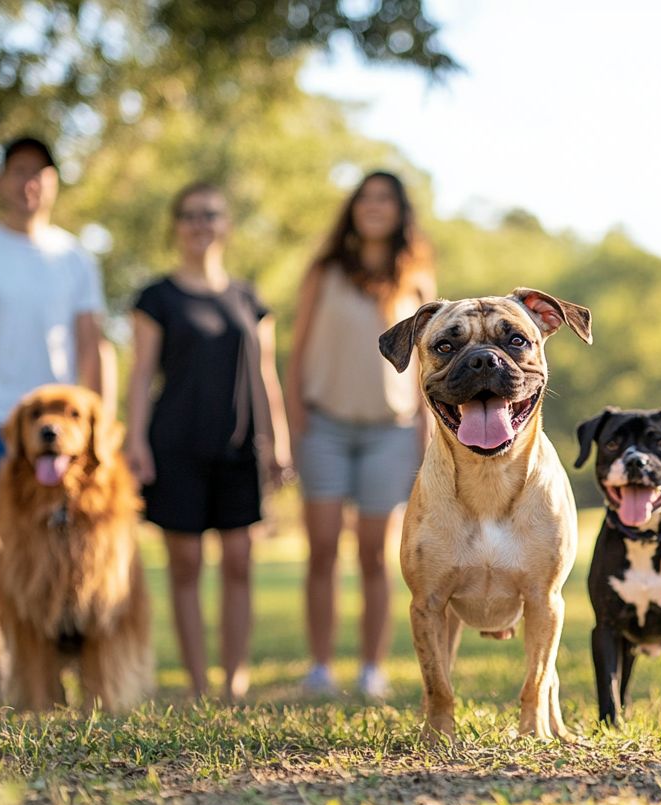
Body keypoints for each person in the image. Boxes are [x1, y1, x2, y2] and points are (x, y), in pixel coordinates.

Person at [126, 181, 291, 701]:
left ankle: (234, 682)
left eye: (211, 214)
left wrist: (278, 441)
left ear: (226, 226)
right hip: (174, 445)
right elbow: (140, 376)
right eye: (190, 215)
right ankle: (198, 684)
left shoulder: (248, 298)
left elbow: (266, 376)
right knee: (186, 564)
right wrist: (134, 443)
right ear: (176, 226)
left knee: (240, 559)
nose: (200, 224)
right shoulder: (157, 298)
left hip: (239, 447)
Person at [285, 171, 436, 699]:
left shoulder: (416, 278)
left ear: (399, 212)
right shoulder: (323, 273)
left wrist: (426, 428)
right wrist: (294, 424)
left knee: (377, 554)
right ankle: (321, 668)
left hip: (390, 433)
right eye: (365, 198)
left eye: (385, 200)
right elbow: (298, 352)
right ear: (353, 207)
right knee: (322, 548)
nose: (374, 207)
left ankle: (373, 669)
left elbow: (427, 363)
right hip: (324, 426)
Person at [0, 135, 107, 525]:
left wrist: (102, 419)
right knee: (2, 545)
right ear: (0, 181)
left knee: (63, 550)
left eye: (40, 173)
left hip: (65, 425)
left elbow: (93, 344)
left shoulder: (76, 257)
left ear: (54, 183)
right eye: (19, 171)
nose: (29, 182)